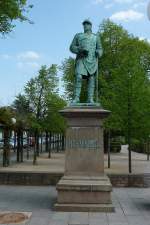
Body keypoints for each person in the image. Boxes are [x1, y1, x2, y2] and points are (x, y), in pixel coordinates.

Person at [70, 19, 103, 104]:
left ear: (90, 26)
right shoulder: (78, 36)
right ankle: (76, 97)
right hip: (81, 59)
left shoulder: (96, 37)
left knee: (91, 79)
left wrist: (99, 52)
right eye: (84, 24)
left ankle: (90, 98)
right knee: (78, 76)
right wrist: (80, 49)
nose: (85, 26)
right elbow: (72, 47)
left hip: (92, 60)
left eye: (87, 24)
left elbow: (100, 48)